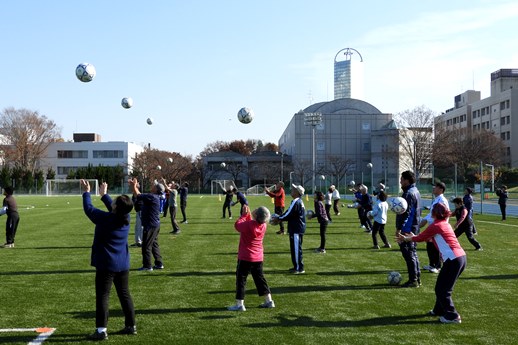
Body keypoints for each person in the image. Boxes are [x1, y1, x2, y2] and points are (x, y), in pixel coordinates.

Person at [80, 180, 136, 340]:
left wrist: (86, 192)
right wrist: (104, 195)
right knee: (124, 294)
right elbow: (115, 209)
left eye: (114, 202)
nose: (112, 202)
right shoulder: (125, 218)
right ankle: (131, 326)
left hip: (106, 264)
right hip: (123, 263)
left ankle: (101, 330)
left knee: (103, 296)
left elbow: (89, 209)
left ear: (116, 207)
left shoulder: (107, 219)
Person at [397, 202, 466, 324]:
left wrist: (406, 238)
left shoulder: (436, 225)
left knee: (443, 290)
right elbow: (429, 238)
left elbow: (421, 238)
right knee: (441, 286)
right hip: (459, 258)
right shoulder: (445, 224)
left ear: (434, 213)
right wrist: (416, 236)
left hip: (453, 260)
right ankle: (439, 310)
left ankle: (452, 315)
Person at [227, 205, 275, 311]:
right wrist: (248, 216)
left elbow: (238, 226)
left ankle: (239, 304)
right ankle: (269, 301)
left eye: (257, 210)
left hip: (245, 257)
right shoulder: (263, 225)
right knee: (260, 279)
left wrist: (243, 215)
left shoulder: (249, 224)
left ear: (257, 215)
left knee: (241, 280)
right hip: (258, 257)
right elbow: (250, 224)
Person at [128, 178, 164, 271]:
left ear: (156, 189)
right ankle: (159, 263)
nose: (152, 186)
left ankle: (147, 266)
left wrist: (134, 185)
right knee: (154, 244)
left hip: (150, 225)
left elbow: (138, 195)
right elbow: (139, 195)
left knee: (146, 246)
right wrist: (134, 187)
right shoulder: (154, 196)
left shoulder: (152, 196)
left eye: (154, 185)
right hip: (155, 224)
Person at [395, 170, 422, 288]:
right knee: (413, 253)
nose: (400, 181)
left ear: (407, 180)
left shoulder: (408, 194)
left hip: (408, 228)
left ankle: (413, 280)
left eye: (401, 179)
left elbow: (406, 213)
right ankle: (417, 277)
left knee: (409, 254)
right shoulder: (415, 191)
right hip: (414, 227)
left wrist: (399, 229)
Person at [419, 182, 449, 274]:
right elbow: (431, 214)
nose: (433, 188)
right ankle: (432, 264)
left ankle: (437, 266)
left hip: (438, 227)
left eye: (435, 187)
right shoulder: (436, 199)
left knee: (435, 247)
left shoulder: (442, 200)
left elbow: (445, 214)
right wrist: (423, 221)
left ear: (441, 189)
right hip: (433, 226)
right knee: (430, 246)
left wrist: (440, 227)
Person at [277, 184, 306, 274]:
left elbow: (288, 214)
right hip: (297, 228)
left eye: (294, 189)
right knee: (295, 248)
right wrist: (281, 217)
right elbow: (289, 213)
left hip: (296, 228)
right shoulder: (297, 201)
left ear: (297, 192)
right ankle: (296, 266)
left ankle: (299, 268)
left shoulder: (296, 202)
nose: (291, 190)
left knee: (296, 249)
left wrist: (279, 218)